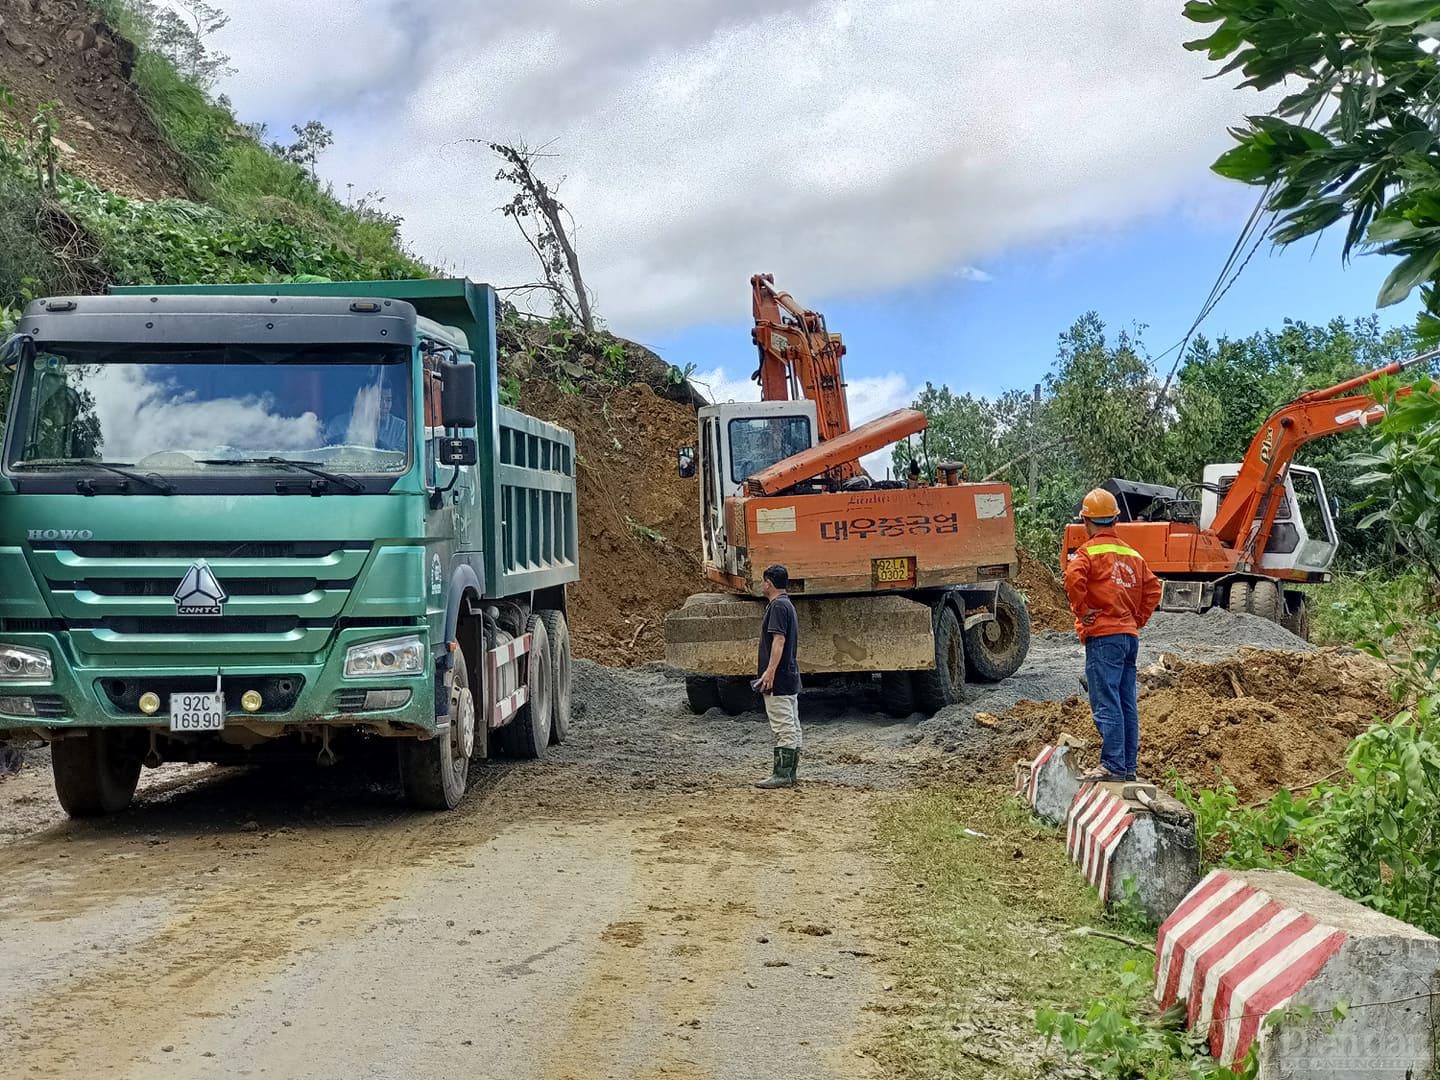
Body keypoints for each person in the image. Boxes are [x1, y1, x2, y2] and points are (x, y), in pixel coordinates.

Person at [1064, 488, 1162, 783]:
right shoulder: (1132, 554)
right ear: (1116, 519)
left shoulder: (1088, 553)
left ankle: (1113, 766)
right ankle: (1127, 766)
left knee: (1106, 701)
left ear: (1086, 521)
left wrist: (1083, 611)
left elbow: (1072, 578)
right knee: (1126, 702)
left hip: (1104, 637)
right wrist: (1137, 620)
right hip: (1128, 637)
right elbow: (1154, 589)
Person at [754, 563, 801, 789]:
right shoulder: (788, 605)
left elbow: (778, 640)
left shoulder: (777, 607)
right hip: (789, 675)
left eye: (763, 581)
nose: (762, 586)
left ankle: (782, 774)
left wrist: (769, 671)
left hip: (779, 678)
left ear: (769, 583)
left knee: (783, 726)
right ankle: (790, 773)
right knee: (792, 724)